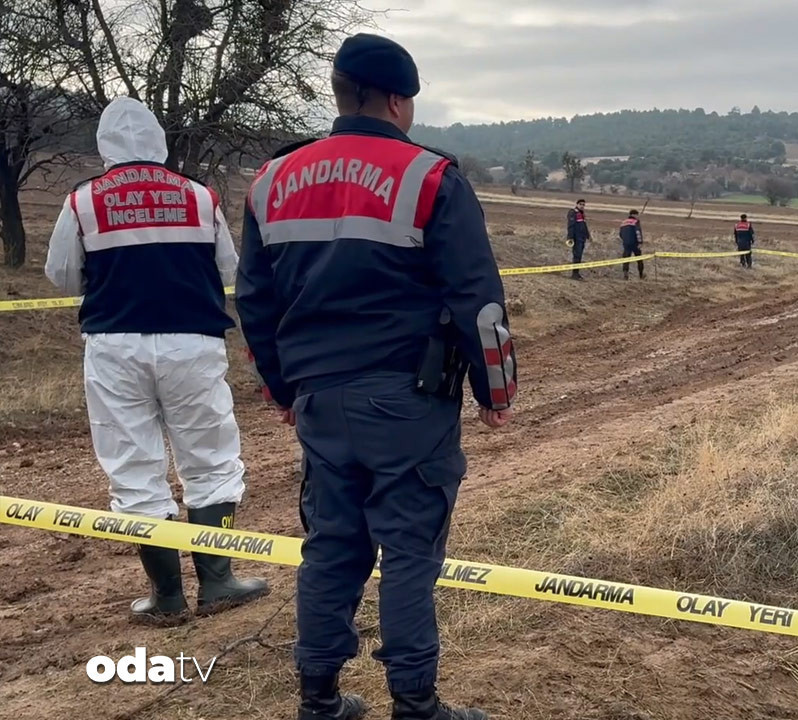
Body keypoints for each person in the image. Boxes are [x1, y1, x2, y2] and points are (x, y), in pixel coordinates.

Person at [236, 33, 514, 720]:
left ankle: (319, 698)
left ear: (339, 94)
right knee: (410, 550)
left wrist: (281, 390)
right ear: (397, 101)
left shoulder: (271, 181)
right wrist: (495, 391)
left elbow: (255, 302)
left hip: (318, 400)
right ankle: (415, 703)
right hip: (407, 401)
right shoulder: (430, 178)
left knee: (331, 547)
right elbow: (478, 301)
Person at [43, 97, 268, 626]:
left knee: (133, 466)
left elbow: (63, 276)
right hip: (193, 340)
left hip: (114, 344)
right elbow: (230, 269)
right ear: (158, 141)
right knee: (210, 457)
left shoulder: (82, 201)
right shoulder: (199, 195)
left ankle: (166, 595)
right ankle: (218, 581)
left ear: (104, 144)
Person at [567, 198, 591, 280]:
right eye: (580, 204)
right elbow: (570, 226)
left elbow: (584, 225)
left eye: (583, 205)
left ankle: (577, 273)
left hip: (582, 238)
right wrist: (570, 237)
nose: (582, 206)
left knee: (579, 256)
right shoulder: (573, 212)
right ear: (577, 204)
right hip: (576, 238)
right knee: (576, 255)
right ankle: (574, 274)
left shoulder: (582, 214)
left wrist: (588, 235)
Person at [619, 209, 645, 279]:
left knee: (626, 260)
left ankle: (625, 274)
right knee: (639, 259)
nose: (638, 216)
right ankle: (641, 275)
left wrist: (625, 240)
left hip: (626, 244)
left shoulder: (623, 222)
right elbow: (638, 232)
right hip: (635, 243)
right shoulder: (635, 222)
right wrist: (640, 242)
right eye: (637, 215)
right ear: (634, 215)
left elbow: (620, 234)